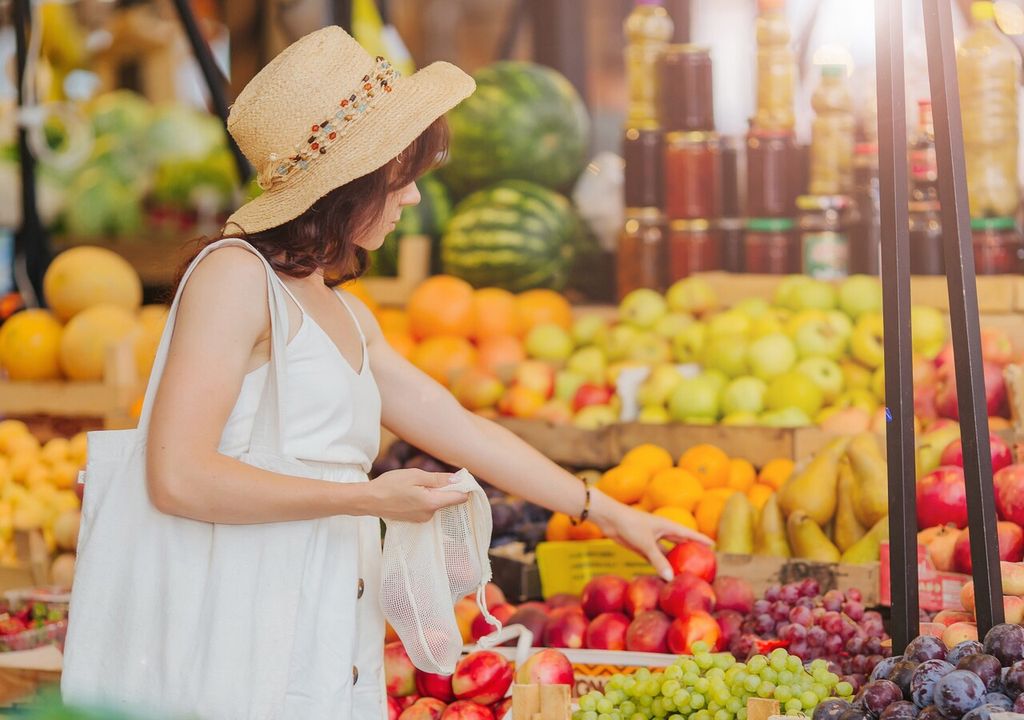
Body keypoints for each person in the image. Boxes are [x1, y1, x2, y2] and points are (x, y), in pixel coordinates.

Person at [141, 26, 710, 719]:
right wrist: (369, 499)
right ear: (350, 179)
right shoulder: (233, 277)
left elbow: (461, 428)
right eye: (400, 176)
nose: (412, 198)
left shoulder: (341, 312)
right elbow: (177, 477)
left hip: (325, 630)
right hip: (237, 630)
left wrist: (609, 514)